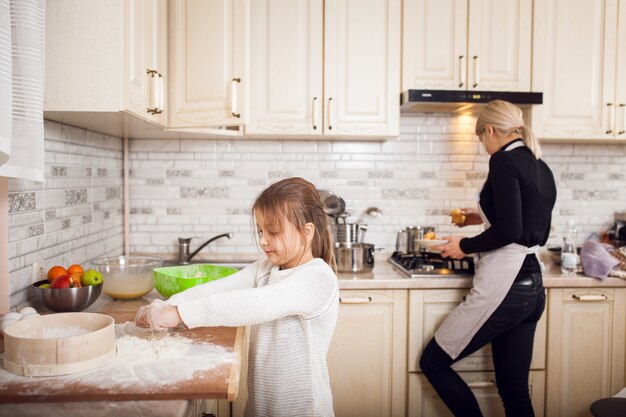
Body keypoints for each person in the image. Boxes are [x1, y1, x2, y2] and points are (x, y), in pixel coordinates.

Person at [135, 177, 339, 417]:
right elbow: (221, 288)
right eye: (260, 230)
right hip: (262, 406)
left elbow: (261, 303)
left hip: (304, 410)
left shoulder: (317, 278)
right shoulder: (265, 268)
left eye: (273, 232)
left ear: (306, 232)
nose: (263, 240)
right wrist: (167, 306)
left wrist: (180, 314)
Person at [421, 100, 557, 417]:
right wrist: (479, 218)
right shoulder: (539, 163)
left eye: (481, 137)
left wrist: (463, 245)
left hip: (506, 287)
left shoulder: (502, 161)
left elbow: (511, 229)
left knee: (432, 362)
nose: (483, 144)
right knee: (514, 392)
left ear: (491, 131)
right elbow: (530, 226)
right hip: (532, 286)